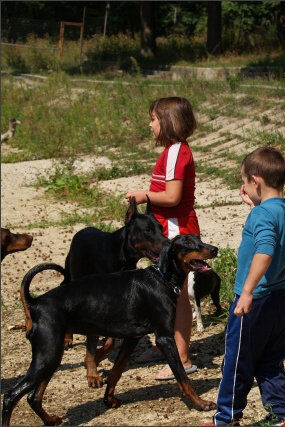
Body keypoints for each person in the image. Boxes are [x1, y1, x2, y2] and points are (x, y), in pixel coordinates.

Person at [205, 147, 285, 426]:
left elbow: (265, 251)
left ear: (255, 181)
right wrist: (256, 206)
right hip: (279, 298)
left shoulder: (261, 216)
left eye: (245, 182)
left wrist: (246, 292)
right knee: (270, 361)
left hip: (254, 301)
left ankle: (226, 417)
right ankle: (282, 416)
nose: (245, 187)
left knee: (236, 362)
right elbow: (273, 229)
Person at [125, 96, 200, 379]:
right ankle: (165, 346)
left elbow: (172, 196)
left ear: (168, 122)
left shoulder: (175, 153)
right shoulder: (175, 150)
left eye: (154, 119)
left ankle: (181, 358)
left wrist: (144, 195)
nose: (150, 124)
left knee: (177, 295)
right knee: (165, 291)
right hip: (169, 226)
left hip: (175, 229)